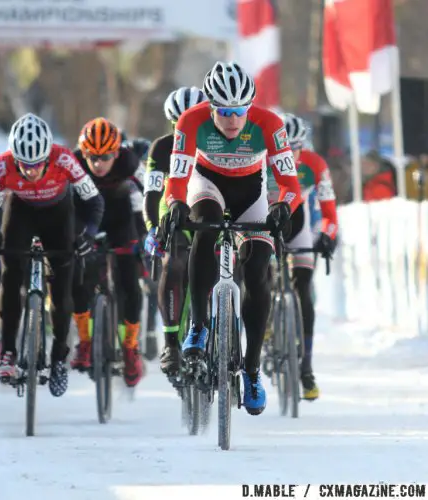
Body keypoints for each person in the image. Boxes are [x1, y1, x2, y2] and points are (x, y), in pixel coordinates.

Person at [163, 62, 304, 415]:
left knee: (258, 269)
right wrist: (176, 203)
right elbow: (178, 177)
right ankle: (197, 326)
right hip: (207, 183)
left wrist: (283, 207)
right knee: (205, 226)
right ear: (210, 107)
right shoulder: (191, 121)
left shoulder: (269, 124)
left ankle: (252, 371)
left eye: (239, 111)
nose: (232, 120)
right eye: (224, 112)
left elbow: (289, 184)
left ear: (250, 107)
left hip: (251, 192)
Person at [0, 113, 104, 397]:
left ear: (48, 156)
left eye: (37, 164)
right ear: (14, 158)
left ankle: (59, 358)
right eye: (24, 165)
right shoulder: (0, 166)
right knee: (10, 274)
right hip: (20, 212)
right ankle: (9, 351)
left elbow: (94, 200)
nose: (31, 171)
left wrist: (87, 234)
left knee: (61, 290)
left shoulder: (64, 160)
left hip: (58, 215)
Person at [268, 113, 338, 400]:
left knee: (304, 290)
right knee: (256, 273)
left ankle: (306, 368)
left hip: (299, 223)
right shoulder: (261, 159)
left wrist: (327, 235)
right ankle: (264, 326)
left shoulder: (315, 164)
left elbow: (329, 210)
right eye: (287, 147)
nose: (292, 155)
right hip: (264, 220)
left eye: (297, 147)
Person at [70, 118, 144, 387]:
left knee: (129, 285)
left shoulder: (130, 162)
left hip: (122, 218)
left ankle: (130, 347)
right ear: (83, 154)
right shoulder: (73, 162)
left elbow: (150, 196)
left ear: (117, 153)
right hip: (88, 218)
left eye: (105, 157)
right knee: (79, 281)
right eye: (92, 157)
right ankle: (85, 341)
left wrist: (147, 235)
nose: (99, 163)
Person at [143, 86, 208, 375]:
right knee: (174, 262)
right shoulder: (161, 147)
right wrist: (152, 228)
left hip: (207, 207)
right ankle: (171, 343)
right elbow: (152, 192)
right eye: (180, 123)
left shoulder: (217, 143)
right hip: (174, 210)